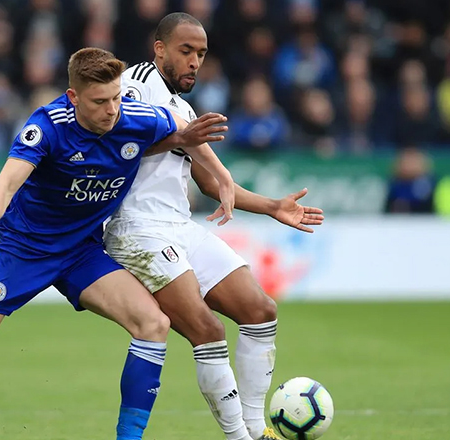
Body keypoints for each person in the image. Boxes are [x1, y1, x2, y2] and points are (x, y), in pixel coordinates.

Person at [0, 47, 236, 440]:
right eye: (100, 101)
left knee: (153, 324)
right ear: (73, 98)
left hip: (81, 252)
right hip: (22, 250)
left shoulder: (133, 115)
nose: (112, 110)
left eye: (116, 98)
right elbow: (6, 184)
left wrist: (222, 175)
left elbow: (183, 132)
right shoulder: (47, 126)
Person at [105, 13, 325, 440]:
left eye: (201, 54)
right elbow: (115, 142)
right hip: (135, 228)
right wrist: (183, 138)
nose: (194, 62)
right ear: (160, 48)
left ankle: (257, 427)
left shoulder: (182, 107)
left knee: (260, 311)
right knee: (208, 331)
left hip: (177, 226)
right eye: (186, 51)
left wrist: (271, 206)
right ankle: (239, 437)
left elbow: (211, 180)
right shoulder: (131, 85)